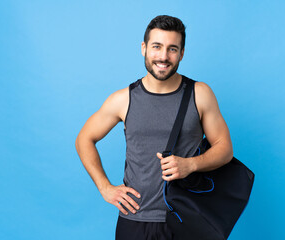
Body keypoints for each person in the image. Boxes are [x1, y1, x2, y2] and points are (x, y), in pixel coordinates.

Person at [75, 15, 233, 240]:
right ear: (144, 48)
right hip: (135, 220)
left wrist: (191, 164)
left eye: (172, 49)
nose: (163, 56)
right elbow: (84, 139)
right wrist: (105, 187)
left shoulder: (200, 94)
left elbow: (225, 148)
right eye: (157, 47)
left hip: (187, 219)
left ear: (182, 53)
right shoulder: (123, 99)